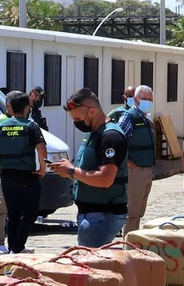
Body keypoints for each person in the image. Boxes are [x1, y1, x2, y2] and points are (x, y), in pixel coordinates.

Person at [50, 87, 125, 247]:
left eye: (78, 118)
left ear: (91, 111)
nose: (76, 123)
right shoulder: (94, 132)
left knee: (91, 266)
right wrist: (69, 168)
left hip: (102, 214)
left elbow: (105, 179)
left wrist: (71, 171)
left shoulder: (110, 136)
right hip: (92, 213)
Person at [0, 90, 46, 255]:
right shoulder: (30, 126)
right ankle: (17, 246)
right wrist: (42, 169)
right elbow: (41, 149)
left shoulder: (1, 125)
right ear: (27, 108)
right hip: (27, 175)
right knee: (30, 212)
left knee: (13, 213)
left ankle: (13, 247)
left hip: (7, 176)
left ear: (10, 106)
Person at [120, 84, 158, 232]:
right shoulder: (128, 117)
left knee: (138, 213)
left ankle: (134, 244)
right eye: (144, 99)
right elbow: (117, 142)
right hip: (134, 172)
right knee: (131, 213)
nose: (147, 102)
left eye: (150, 99)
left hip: (146, 170)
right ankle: (128, 247)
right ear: (135, 99)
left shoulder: (146, 118)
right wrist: (128, 162)